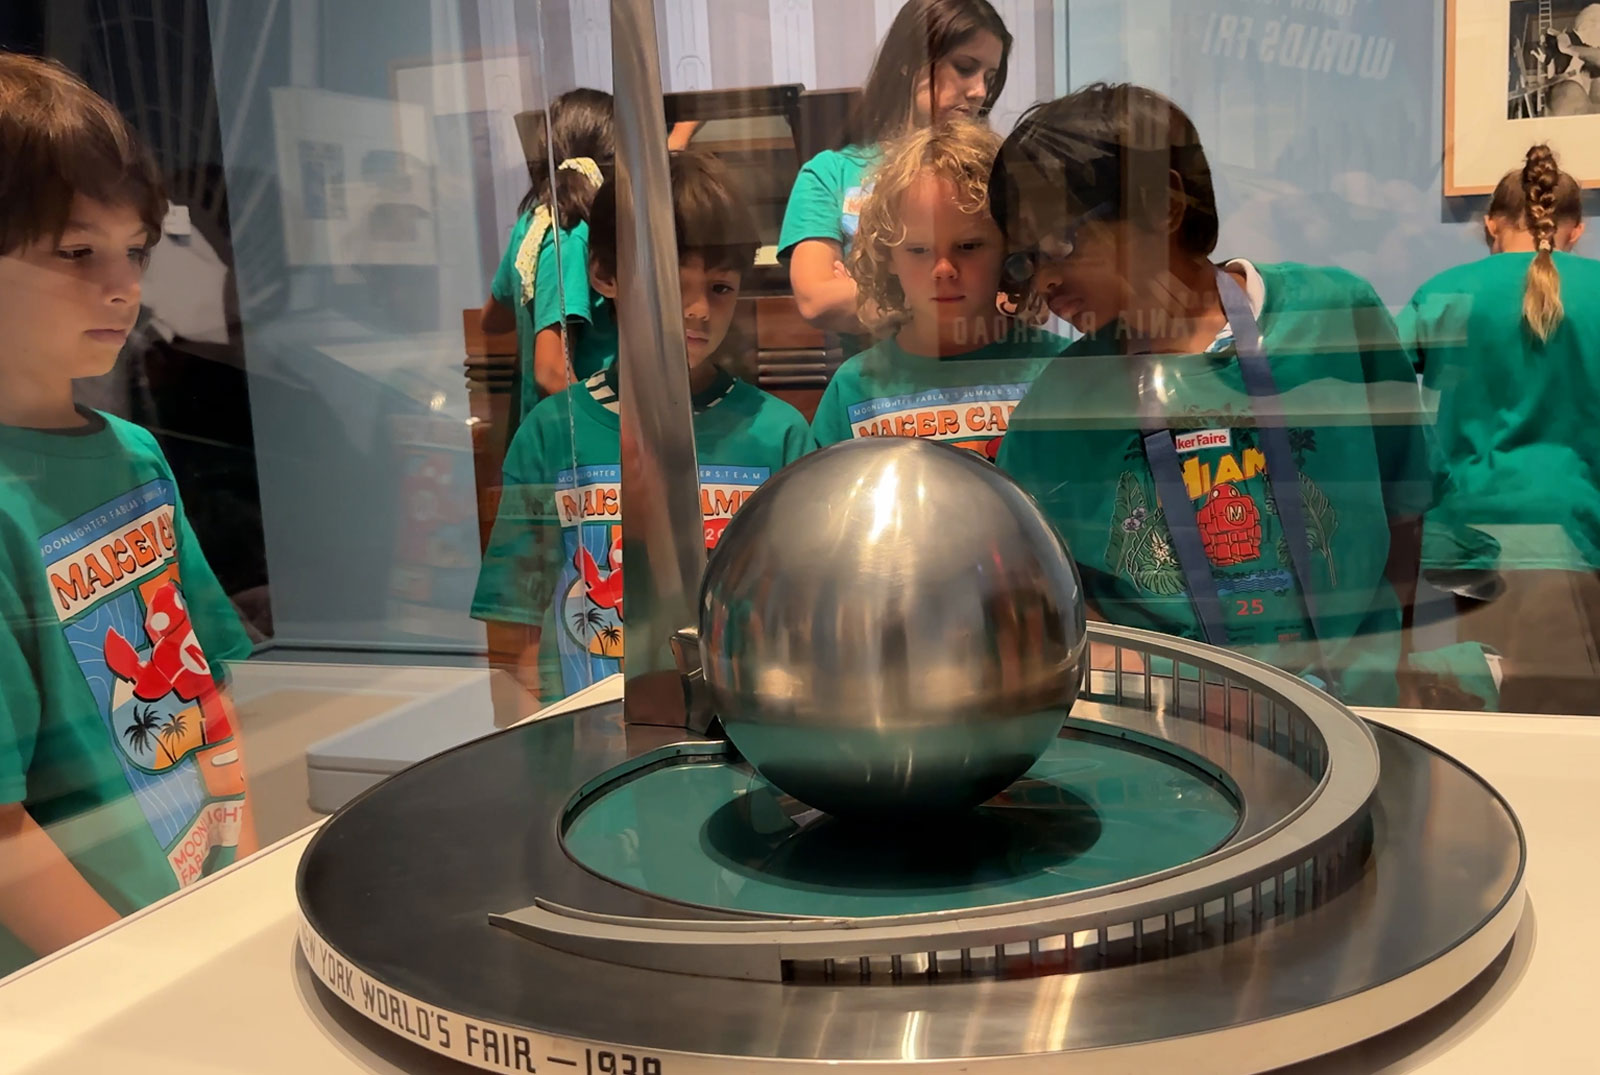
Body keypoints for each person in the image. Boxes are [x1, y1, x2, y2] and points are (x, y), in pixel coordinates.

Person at [989, 83, 1451, 708]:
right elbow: (1055, 592)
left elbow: (1405, 502)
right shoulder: (1059, 405)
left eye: (1061, 245)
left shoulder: (1336, 316)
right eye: (1024, 260)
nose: (1043, 279)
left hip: (1360, 712)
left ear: (1163, 206)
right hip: (1179, 738)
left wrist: (1389, 658)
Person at [0, 52, 257, 976]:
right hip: (82, 973)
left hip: (200, 909)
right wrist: (142, 967)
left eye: (136, 249)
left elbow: (202, 680)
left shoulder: (136, 455)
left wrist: (239, 864)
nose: (122, 283)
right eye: (76, 251)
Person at [472, 150, 815, 707]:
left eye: (721, 288)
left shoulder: (779, 436)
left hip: (740, 743)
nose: (699, 310)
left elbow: (802, 618)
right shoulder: (552, 433)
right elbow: (513, 631)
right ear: (605, 274)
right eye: (673, 285)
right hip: (586, 746)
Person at [1401, 145, 1600, 712]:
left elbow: (1370, 389)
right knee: (1561, 723)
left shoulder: (1445, 292)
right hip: (1577, 534)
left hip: (1465, 540)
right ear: (1576, 231)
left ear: (1491, 223)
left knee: (1475, 712)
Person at [811, 120, 1065, 458]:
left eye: (969, 246)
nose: (943, 270)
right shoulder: (856, 386)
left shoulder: (1061, 370)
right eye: (918, 250)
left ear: (1011, 247)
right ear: (887, 255)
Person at [778, 0, 1011, 338]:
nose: (979, 91)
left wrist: (871, 292)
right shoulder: (829, 173)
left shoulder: (995, 169)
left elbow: (1024, 297)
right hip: (879, 382)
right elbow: (817, 300)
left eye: (989, 77)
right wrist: (965, 298)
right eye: (964, 67)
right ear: (908, 61)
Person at [480, 89, 616, 421]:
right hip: (576, 440)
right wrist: (606, 434)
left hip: (538, 427)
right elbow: (552, 372)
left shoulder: (531, 222)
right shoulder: (573, 229)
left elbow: (492, 320)